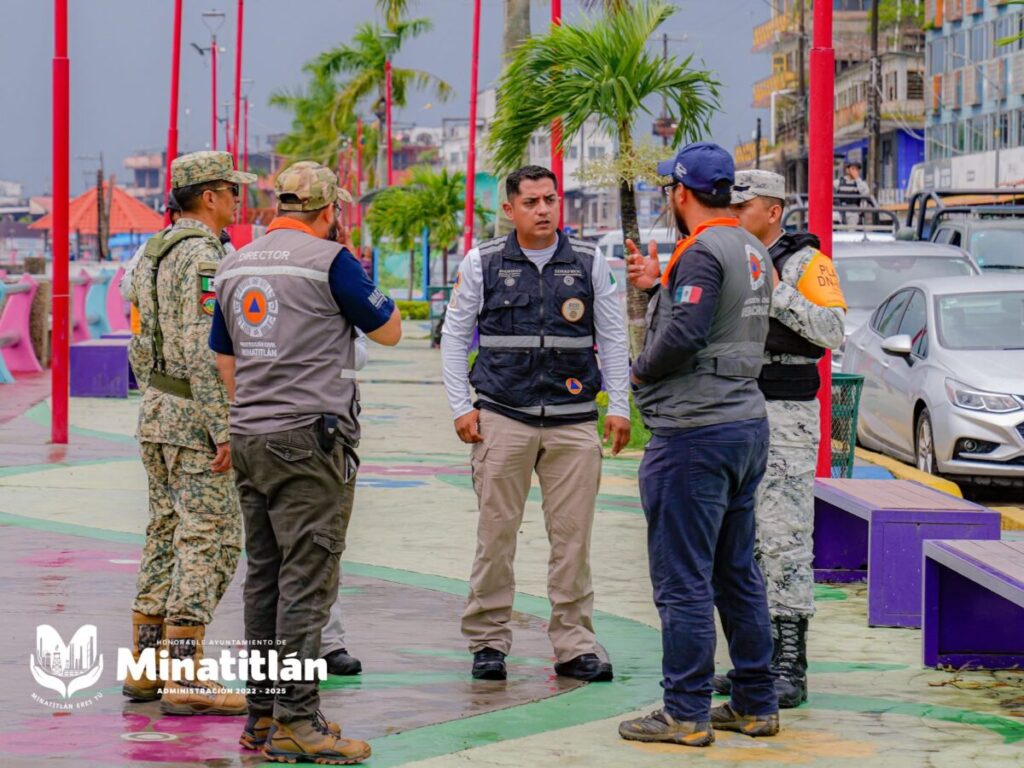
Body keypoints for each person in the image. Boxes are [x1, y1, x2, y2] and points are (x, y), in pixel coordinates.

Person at [210, 160, 401, 765]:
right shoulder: (330, 260)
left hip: (249, 437)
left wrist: (259, 404)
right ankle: (298, 719)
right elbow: (390, 329)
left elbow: (224, 357)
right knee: (307, 580)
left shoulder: (235, 262)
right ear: (328, 212)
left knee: (263, 578)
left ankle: (261, 717)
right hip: (309, 441)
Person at [441, 164, 631, 683]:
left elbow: (613, 338)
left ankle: (574, 645)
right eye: (531, 202)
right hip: (503, 417)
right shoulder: (483, 264)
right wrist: (461, 406)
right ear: (510, 209)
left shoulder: (590, 263)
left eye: (550, 200)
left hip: (573, 422)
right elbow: (455, 338)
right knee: (496, 536)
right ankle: (488, 643)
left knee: (572, 540)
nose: (543, 209)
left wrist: (619, 407)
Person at [617, 142, 778, 747]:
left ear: (680, 193)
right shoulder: (751, 247)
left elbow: (684, 334)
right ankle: (756, 702)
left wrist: (638, 373)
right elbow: (722, 319)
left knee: (682, 578)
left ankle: (685, 711)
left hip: (694, 433)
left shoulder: (703, 252)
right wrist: (663, 281)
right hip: (744, 425)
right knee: (737, 572)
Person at [122, 150, 255, 717]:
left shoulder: (150, 254)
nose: (237, 199)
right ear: (208, 196)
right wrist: (221, 427)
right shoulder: (205, 258)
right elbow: (207, 352)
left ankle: (146, 666)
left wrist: (157, 393)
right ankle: (185, 674)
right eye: (231, 190)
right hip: (193, 417)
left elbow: (138, 339)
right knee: (211, 538)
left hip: (156, 409)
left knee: (164, 533)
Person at [711, 170, 846, 708]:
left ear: (771, 211)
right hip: (733, 404)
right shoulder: (723, 257)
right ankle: (754, 661)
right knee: (739, 540)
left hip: (786, 411)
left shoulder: (806, 262)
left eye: (742, 207)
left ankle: (790, 663)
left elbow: (832, 331)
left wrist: (774, 290)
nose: (732, 215)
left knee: (784, 536)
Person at [318, 330, 369, 678]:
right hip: (267, 423)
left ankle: (328, 643)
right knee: (268, 549)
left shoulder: (338, 277)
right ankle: (274, 649)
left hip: (330, 429)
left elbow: (363, 350)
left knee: (327, 542)